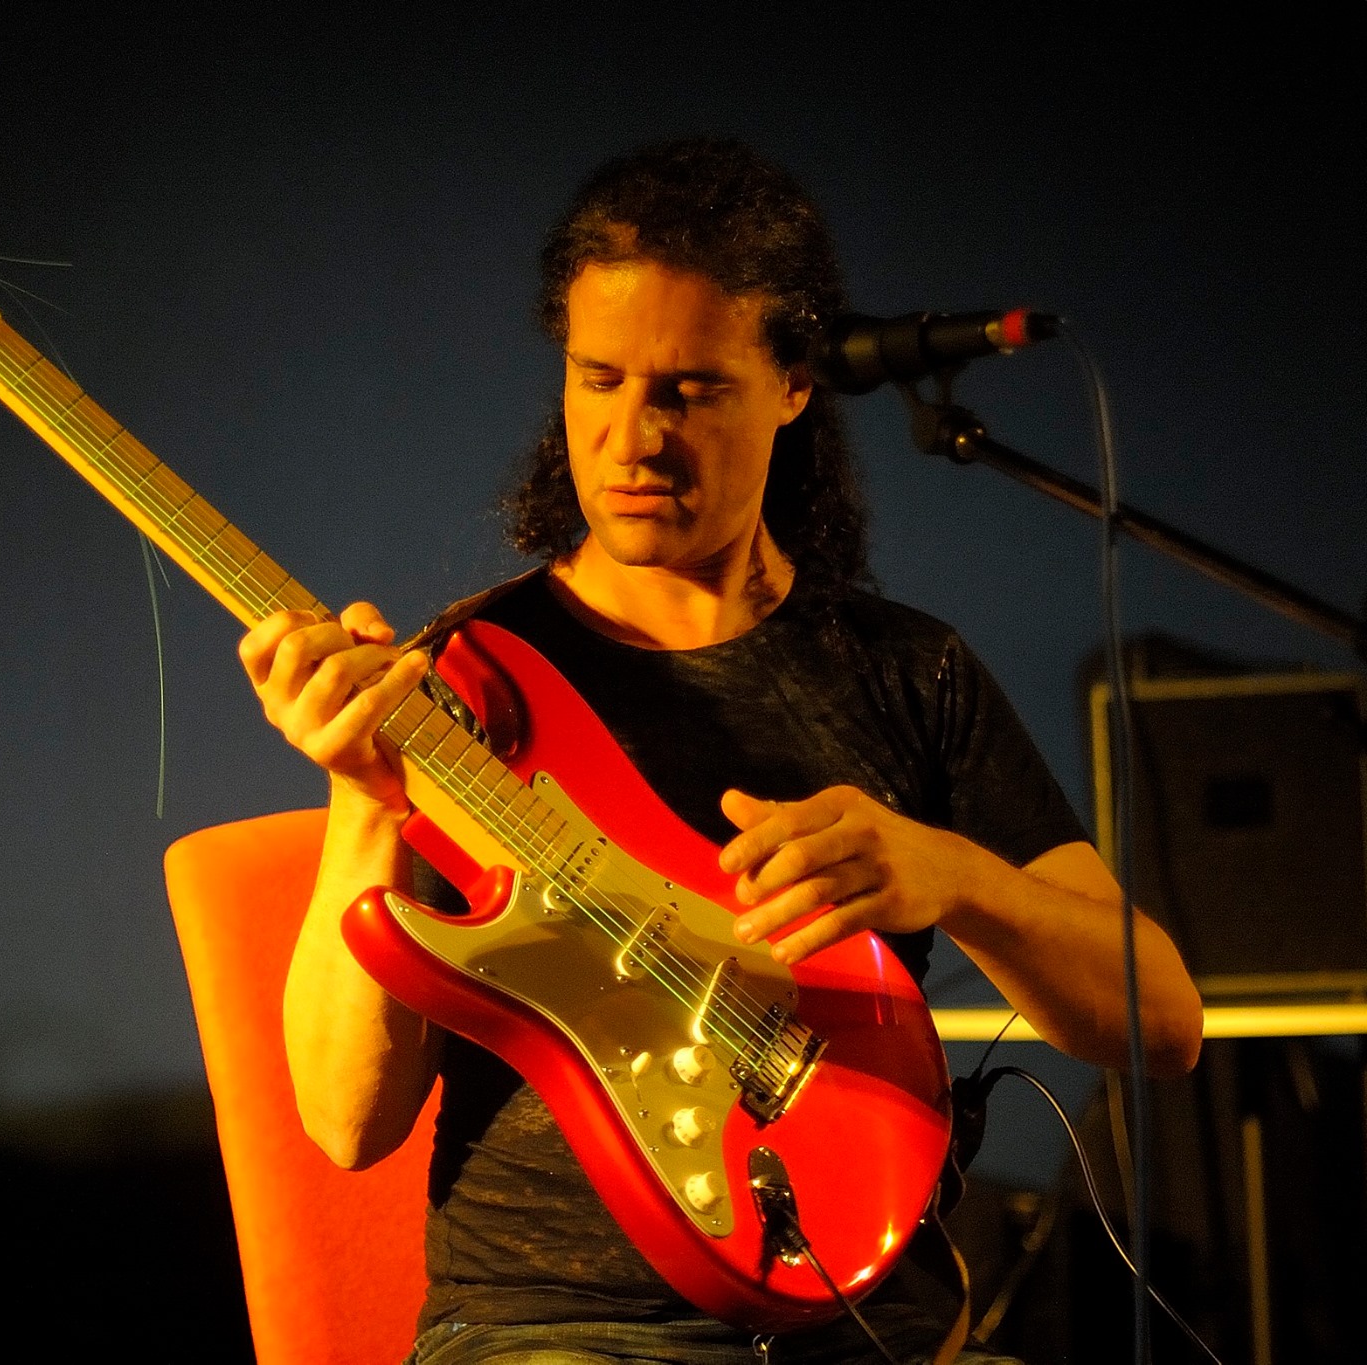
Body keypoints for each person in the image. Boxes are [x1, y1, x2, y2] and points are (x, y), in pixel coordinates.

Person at [237, 139, 1203, 1365]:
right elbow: (343, 1125)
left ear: (794, 384)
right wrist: (362, 799)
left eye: (688, 390)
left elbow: (1161, 1023)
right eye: (597, 380)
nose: (632, 438)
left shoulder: (908, 669)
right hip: (559, 1327)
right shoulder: (467, 681)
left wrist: (953, 875)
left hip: (868, 1322)